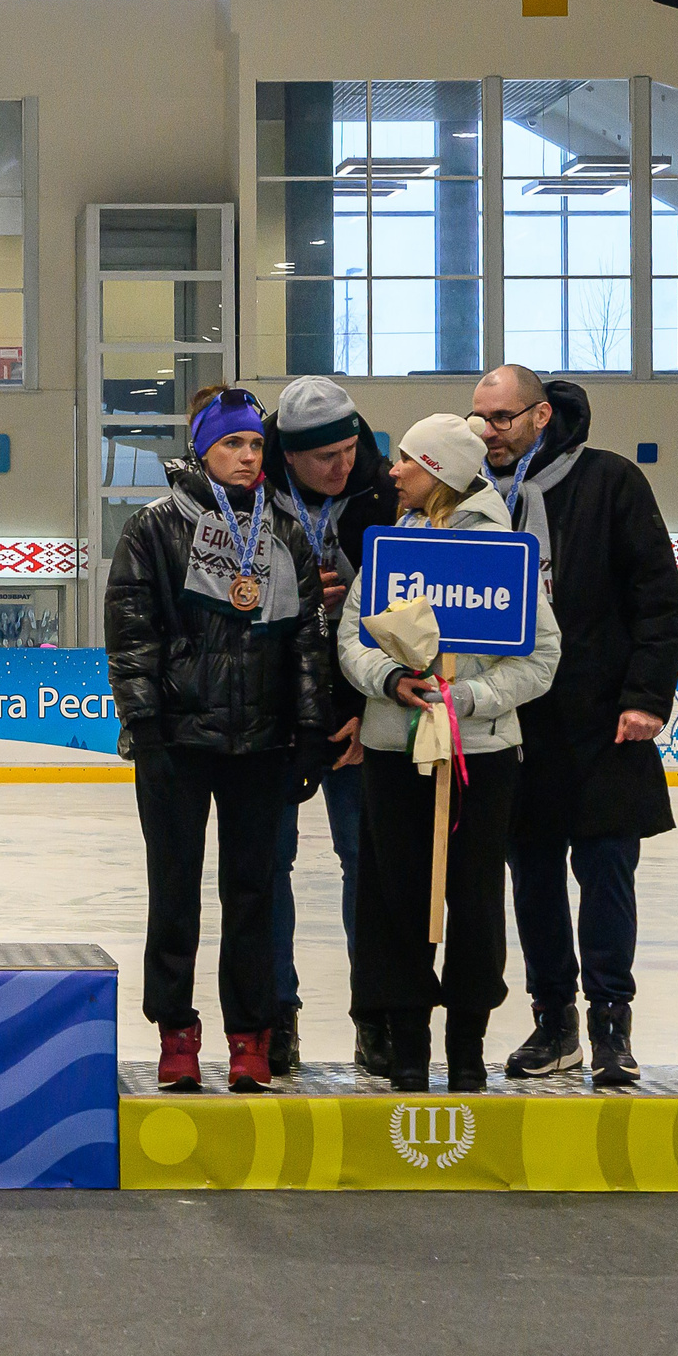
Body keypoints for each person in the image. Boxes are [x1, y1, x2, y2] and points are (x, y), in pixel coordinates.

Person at [104, 383, 333, 1095]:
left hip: (260, 743)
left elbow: (305, 642)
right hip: (177, 739)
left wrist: (308, 731)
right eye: (233, 442)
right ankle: (176, 1030)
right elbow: (131, 629)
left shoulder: (284, 532)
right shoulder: (154, 527)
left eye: (256, 444)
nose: (247, 455)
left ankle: (249, 1035)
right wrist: (144, 720)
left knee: (253, 894)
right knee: (173, 890)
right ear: (203, 449)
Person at [470, 366, 678, 1087]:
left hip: (603, 720)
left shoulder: (611, 481)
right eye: (479, 418)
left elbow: (656, 592)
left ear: (540, 417)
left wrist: (647, 693)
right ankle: (553, 1018)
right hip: (517, 721)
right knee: (530, 876)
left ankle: (610, 1024)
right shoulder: (475, 497)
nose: (486, 431)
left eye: (500, 417)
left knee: (606, 871)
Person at [338, 416, 561, 1093]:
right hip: (391, 749)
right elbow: (352, 636)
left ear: (439, 470)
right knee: (394, 894)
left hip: (482, 755)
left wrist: (467, 699)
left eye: (406, 461)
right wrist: (388, 679)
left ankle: (467, 1043)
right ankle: (407, 1041)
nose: (393, 472)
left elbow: (542, 656)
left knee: (474, 896)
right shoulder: (392, 546)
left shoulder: (504, 551)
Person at [259, 376, 399, 1075]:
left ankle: (374, 1016)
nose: (342, 465)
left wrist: (363, 714)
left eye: (350, 449)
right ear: (287, 454)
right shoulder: (247, 498)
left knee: (367, 868)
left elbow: (414, 625)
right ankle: (275, 1016)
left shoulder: (386, 497)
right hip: (275, 717)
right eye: (324, 458)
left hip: (359, 717)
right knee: (266, 867)